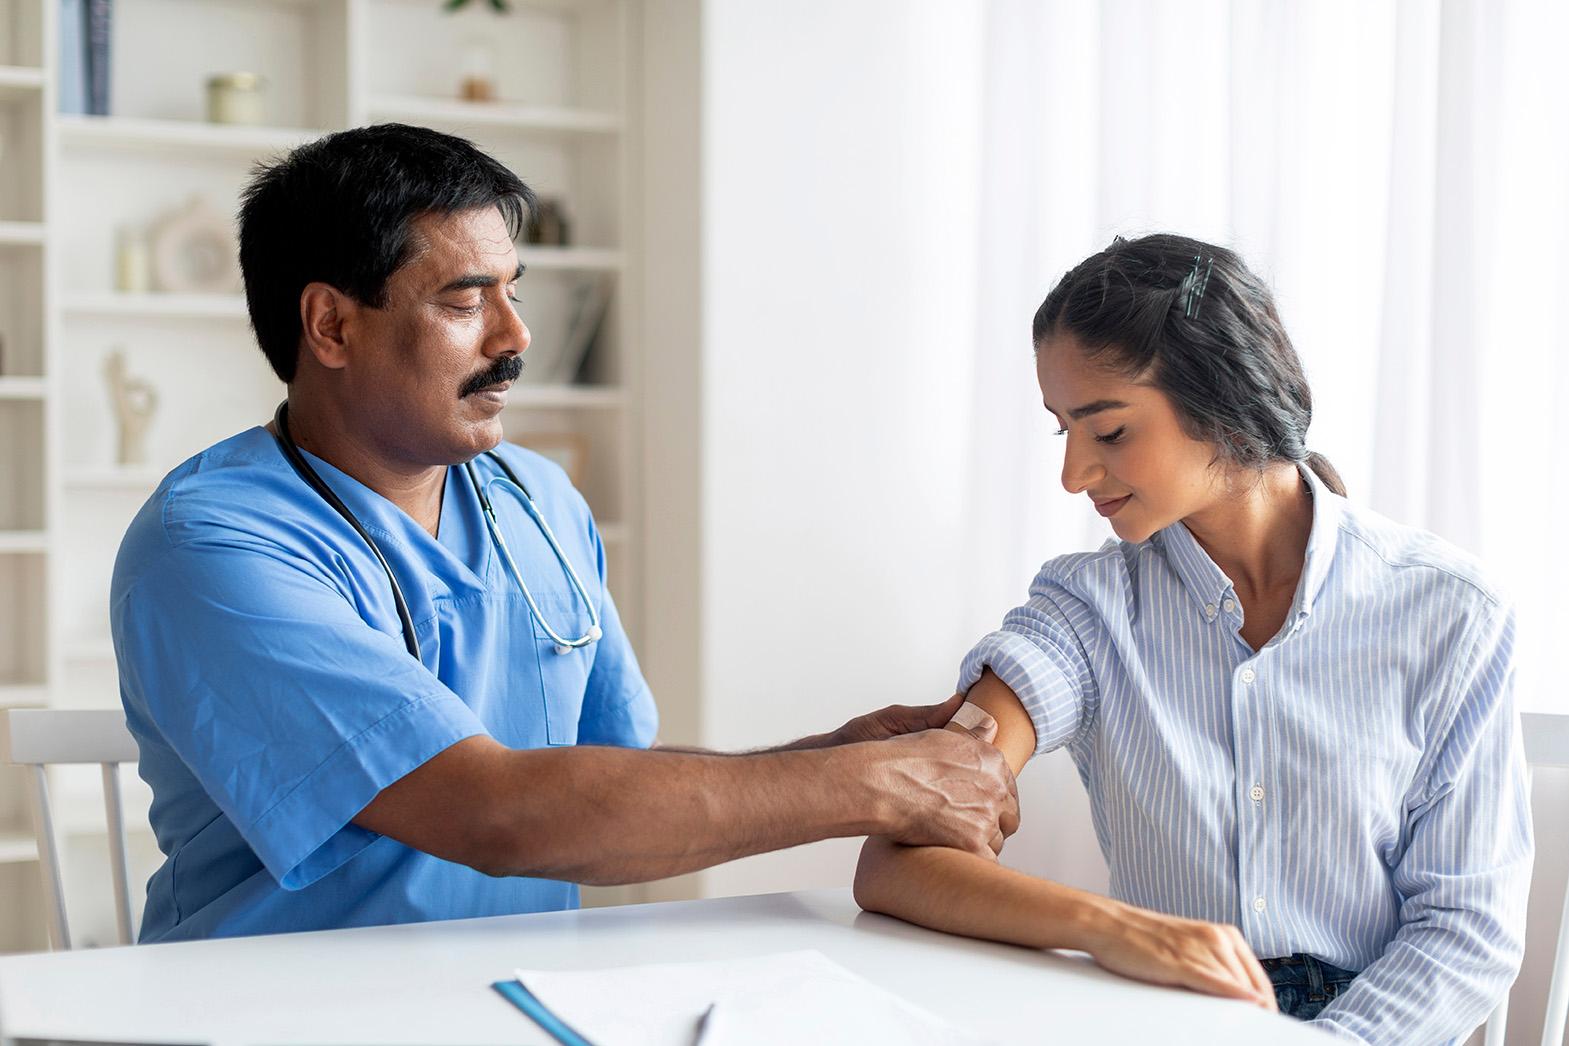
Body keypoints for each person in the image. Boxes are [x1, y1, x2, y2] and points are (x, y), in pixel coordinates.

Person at [110, 123, 1018, 942]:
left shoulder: (538, 498)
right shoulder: (212, 544)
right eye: (466, 302)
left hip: (514, 1001)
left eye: (513, 292)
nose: (517, 336)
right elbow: (497, 815)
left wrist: (839, 756)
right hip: (271, 1017)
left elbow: (606, 785)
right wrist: (866, 789)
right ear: (332, 325)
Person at [853, 234, 1533, 1044]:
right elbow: (898, 860)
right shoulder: (1085, 612)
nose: (1072, 475)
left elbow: (1467, 926)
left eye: (1106, 432)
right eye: (1060, 431)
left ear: (1222, 401)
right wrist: (1117, 930)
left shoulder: (1450, 614)